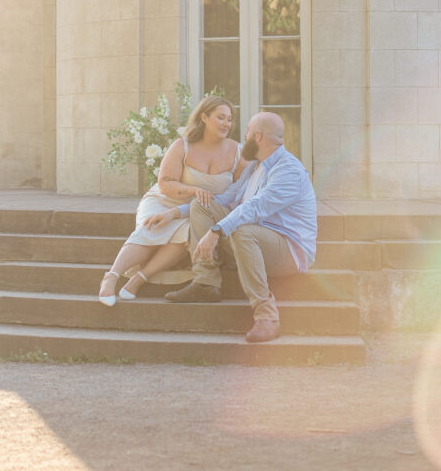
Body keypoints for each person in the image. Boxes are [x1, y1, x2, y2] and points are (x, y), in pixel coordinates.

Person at [164, 111, 317, 344]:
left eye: (246, 132)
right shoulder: (254, 168)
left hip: (289, 250)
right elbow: (225, 200)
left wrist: (216, 232)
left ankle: (267, 316)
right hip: (254, 239)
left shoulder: (288, 171)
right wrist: (176, 212)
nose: (242, 136)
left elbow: (255, 208)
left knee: (243, 230)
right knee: (202, 206)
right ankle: (206, 282)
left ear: (257, 137)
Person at [98, 96, 247, 305]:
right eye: (220, 117)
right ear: (204, 117)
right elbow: (166, 183)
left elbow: (238, 194)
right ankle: (111, 277)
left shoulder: (238, 152)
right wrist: (194, 190)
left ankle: (138, 279)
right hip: (165, 200)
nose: (226, 124)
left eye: (229, 119)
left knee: (188, 231)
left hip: (199, 210)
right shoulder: (182, 146)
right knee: (154, 225)